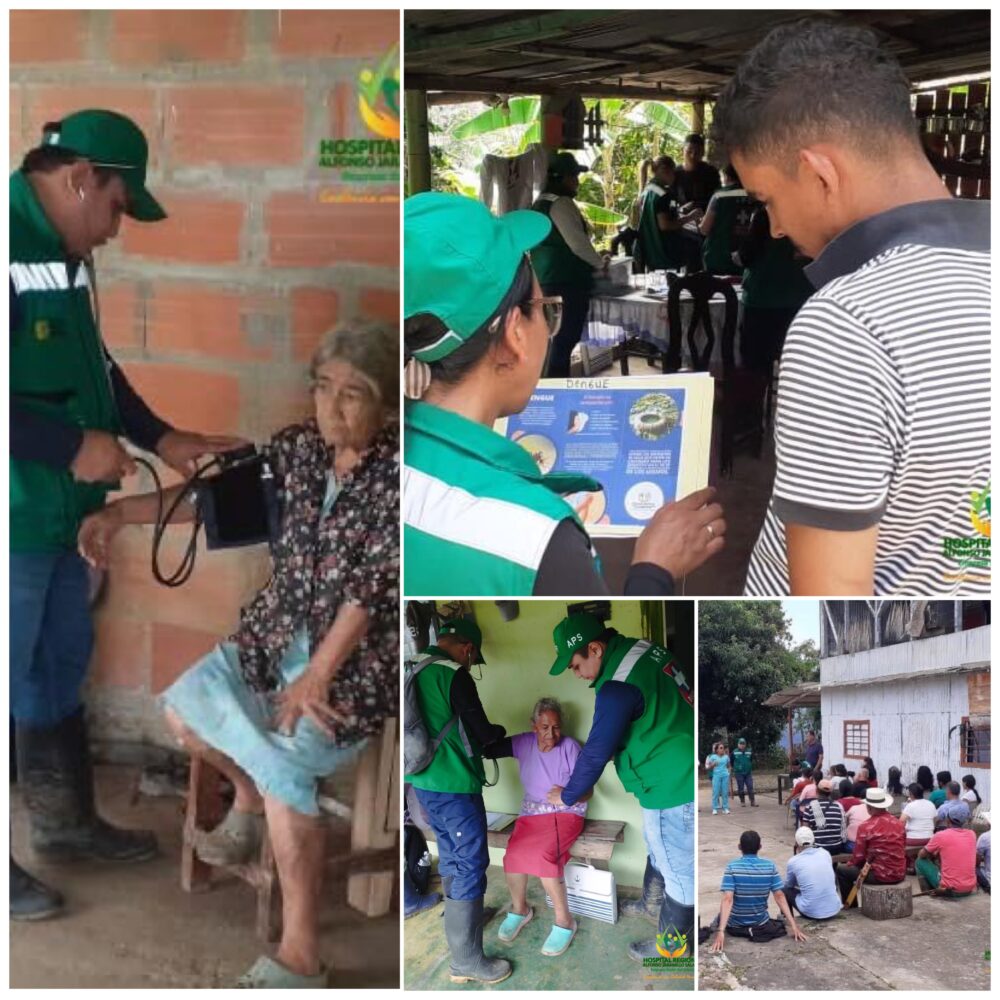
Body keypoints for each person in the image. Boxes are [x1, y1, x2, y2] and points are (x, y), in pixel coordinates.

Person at [79, 326, 399, 987]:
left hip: (353, 669)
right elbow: (207, 503)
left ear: (388, 405)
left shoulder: (400, 475)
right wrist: (120, 516)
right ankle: (248, 798)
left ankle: (301, 952)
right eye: (323, 388)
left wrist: (316, 675)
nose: (332, 407)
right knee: (183, 712)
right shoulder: (295, 452)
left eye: (354, 393)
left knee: (289, 775)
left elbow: (370, 592)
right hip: (271, 641)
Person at [10, 109, 244, 922]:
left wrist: (162, 436)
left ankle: (64, 821)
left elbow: (92, 365)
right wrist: (72, 443)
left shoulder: (64, 255)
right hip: (14, 511)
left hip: (56, 514)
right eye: (114, 207)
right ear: (81, 179)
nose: (115, 230)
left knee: (53, 664)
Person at [715, 20, 989, 597]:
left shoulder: (848, 325)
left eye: (767, 200)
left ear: (820, 173)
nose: (778, 225)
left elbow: (831, 599)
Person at [403, 193, 727, 597]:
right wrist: (654, 569)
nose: (548, 323)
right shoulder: (540, 537)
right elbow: (600, 646)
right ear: (513, 335)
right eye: (546, 308)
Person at [546, 613, 695, 963]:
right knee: (660, 850)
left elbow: (596, 750)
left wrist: (566, 794)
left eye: (575, 665)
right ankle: (651, 902)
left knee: (680, 873)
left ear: (595, 648)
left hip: (670, 784)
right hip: (673, 769)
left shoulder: (617, 684)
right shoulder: (646, 650)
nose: (577, 674)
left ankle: (669, 951)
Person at [403, 617, 510, 985]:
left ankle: (464, 920)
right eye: (473, 659)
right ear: (468, 649)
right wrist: (500, 734)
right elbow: (482, 733)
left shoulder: (412, 665)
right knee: (469, 861)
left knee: (450, 853)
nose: (470, 665)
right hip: (452, 783)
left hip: (419, 783)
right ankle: (466, 961)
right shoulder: (452, 674)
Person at [485, 698, 591, 958]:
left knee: (544, 856)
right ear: (534, 726)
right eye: (544, 727)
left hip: (566, 814)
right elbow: (489, 748)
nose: (551, 734)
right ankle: (520, 910)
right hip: (532, 814)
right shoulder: (523, 743)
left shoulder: (570, 747)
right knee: (513, 856)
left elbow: (587, 791)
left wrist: (567, 795)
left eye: (556, 727)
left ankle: (565, 921)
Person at [530, 151, 607, 377]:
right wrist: (601, 265)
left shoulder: (539, 203)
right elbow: (578, 244)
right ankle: (558, 387)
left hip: (544, 281)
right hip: (567, 283)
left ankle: (549, 386)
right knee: (563, 342)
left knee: (553, 341)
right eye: (573, 176)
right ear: (560, 178)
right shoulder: (561, 203)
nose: (576, 182)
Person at [708, 831, 806, 951]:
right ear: (760, 847)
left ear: (739, 847)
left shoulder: (732, 867)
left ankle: (715, 927)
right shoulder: (770, 866)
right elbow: (779, 896)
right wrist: (793, 925)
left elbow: (728, 899)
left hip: (735, 926)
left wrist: (721, 931)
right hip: (759, 923)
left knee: (718, 917)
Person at [834, 788, 905, 905]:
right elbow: (902, 846)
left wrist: (850, 864)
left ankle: (851, 906)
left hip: (879, 875)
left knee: (842, 870)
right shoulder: (899, 823)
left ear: (869, 807)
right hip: (899, 873)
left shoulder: (865, 826)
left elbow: (858, 857)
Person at [635, 155, 702, 273]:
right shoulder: (663, 194)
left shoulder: (647, 190)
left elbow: (658, 215)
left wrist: (679, 210)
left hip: (650, 252)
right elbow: (665, 225)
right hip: (664, 253)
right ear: (666, 171)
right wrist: (691, 217)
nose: (674, 177)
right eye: (673, 172)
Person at [700, 163, 753, 275]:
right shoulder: (755, 195)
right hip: (746, 259)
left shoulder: (719, 196)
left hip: (718, 258)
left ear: (727, 176)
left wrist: (698, 221)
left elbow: (704, 229)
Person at [783, 827, 842, 920]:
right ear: (813, 840)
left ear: (796, 843)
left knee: (784, 889)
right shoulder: (825, 853)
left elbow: (789, 885)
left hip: (811, 912)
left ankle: (788, 920)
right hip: (834, 908)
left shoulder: (793, 861)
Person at [916, 815, 977, 896]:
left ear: (948, 821)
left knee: (919, 861)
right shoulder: (972, 834)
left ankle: (929, 893)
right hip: (969, 888)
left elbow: (921, 855)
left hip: (950, 890)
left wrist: (932, 850)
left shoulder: (941, 835)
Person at [672, 133, 721, 213]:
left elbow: (716, 199)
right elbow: (671, 199)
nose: (693, 156)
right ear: (683, 151)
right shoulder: (675, 174)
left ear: (703, 153)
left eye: (697, 152)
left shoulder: (711, 172)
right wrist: (677, 210)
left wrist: (694, 205)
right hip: (681, 218)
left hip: (705, 218)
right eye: (689, 151)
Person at [800, 779, 847, 855]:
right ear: (830, 793)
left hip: (818, 847)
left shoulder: (811, 806)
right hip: (836, 847)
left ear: (816, 791)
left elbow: (805, 830)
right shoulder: (838, 805)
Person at [901, 782, 936, 873]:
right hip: (930, 838)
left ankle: (911, 865)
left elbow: (901, 821)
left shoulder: (910, 805)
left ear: (911, 794)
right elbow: (934, 820)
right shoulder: (930, 804)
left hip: (913, 839)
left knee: (899, 841)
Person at [732, 737, 759, 807]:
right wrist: (736, 768)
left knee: (750, 786)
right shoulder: (734, 752)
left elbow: (751, 760)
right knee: (740, 788)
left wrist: (749, 766)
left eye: (743, 743)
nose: (742, 745)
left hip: (748, 773)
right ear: (738, 744)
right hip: (739, 773)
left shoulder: (749, 751)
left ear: (745, 744)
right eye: (740, 743)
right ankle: (742, 801)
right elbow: (732, 761)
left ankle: (752, 801)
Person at [706, 743, 731, 815]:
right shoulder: (713, 757)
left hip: (725, 776)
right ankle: (714, 808)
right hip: (716, 776)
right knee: (716, 792)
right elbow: (708, 767)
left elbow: (729, 766)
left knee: (725, 792)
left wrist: (729, 772)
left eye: (723, 748)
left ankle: (725, 808)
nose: (723, 749)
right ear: (717, 750)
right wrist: (712, 765)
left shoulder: (726, 757)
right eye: (721, 748)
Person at [975, 812, 990, 894]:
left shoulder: (985, 836)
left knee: (974, 868)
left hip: (990, 878)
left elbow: (976, 861)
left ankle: (986, 887)